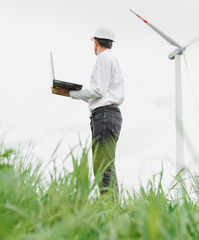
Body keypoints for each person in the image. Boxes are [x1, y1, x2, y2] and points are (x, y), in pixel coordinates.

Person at [51, 27, 124, 198]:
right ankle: (111, 207)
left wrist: (70, 93)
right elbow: (101, 94)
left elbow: (98, 91)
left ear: (96, 42)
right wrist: (72, 93)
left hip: (105, 116)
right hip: (108, 114)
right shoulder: (111, 59)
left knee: (103, 165)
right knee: (104, 165)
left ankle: (110, 208)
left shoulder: (103, 58)